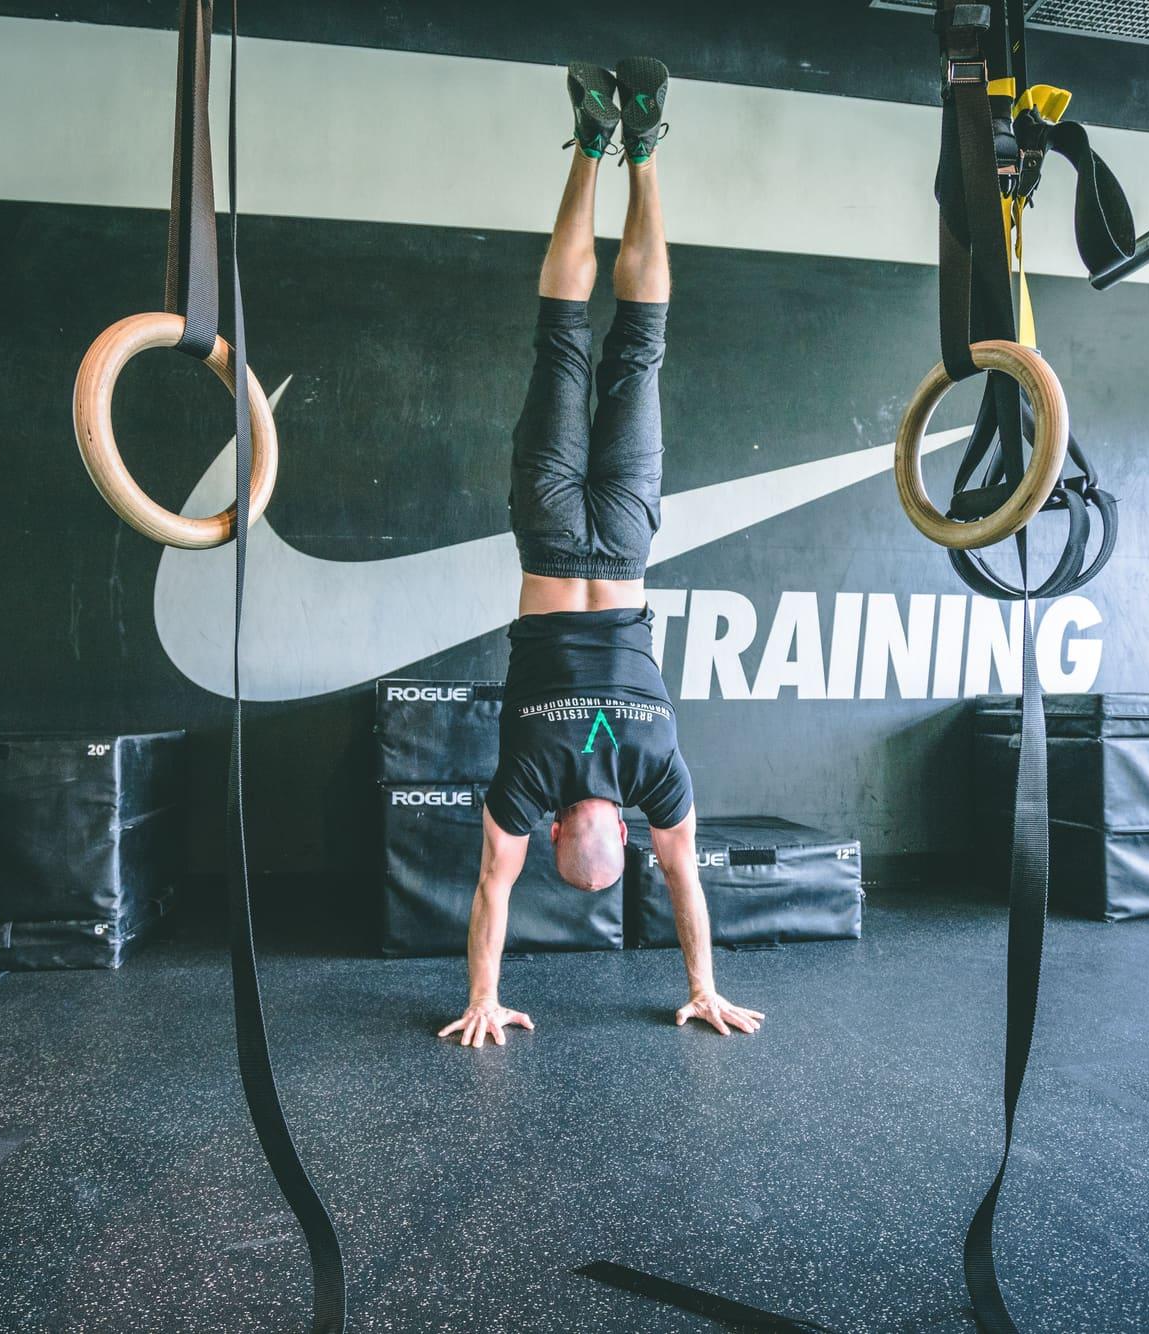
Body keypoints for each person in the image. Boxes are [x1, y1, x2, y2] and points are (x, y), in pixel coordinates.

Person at [439, 59, 765, 1048]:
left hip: (621, 544)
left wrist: (704, 981)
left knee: (638, 345)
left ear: (614, 827)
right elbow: (490, 892)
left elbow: (683, 882)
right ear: (560, 832)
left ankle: (645, 154)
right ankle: (592, 146)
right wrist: (481, 998)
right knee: (562, 341)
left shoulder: (657, 773)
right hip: (546, 541)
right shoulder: (525, 784)